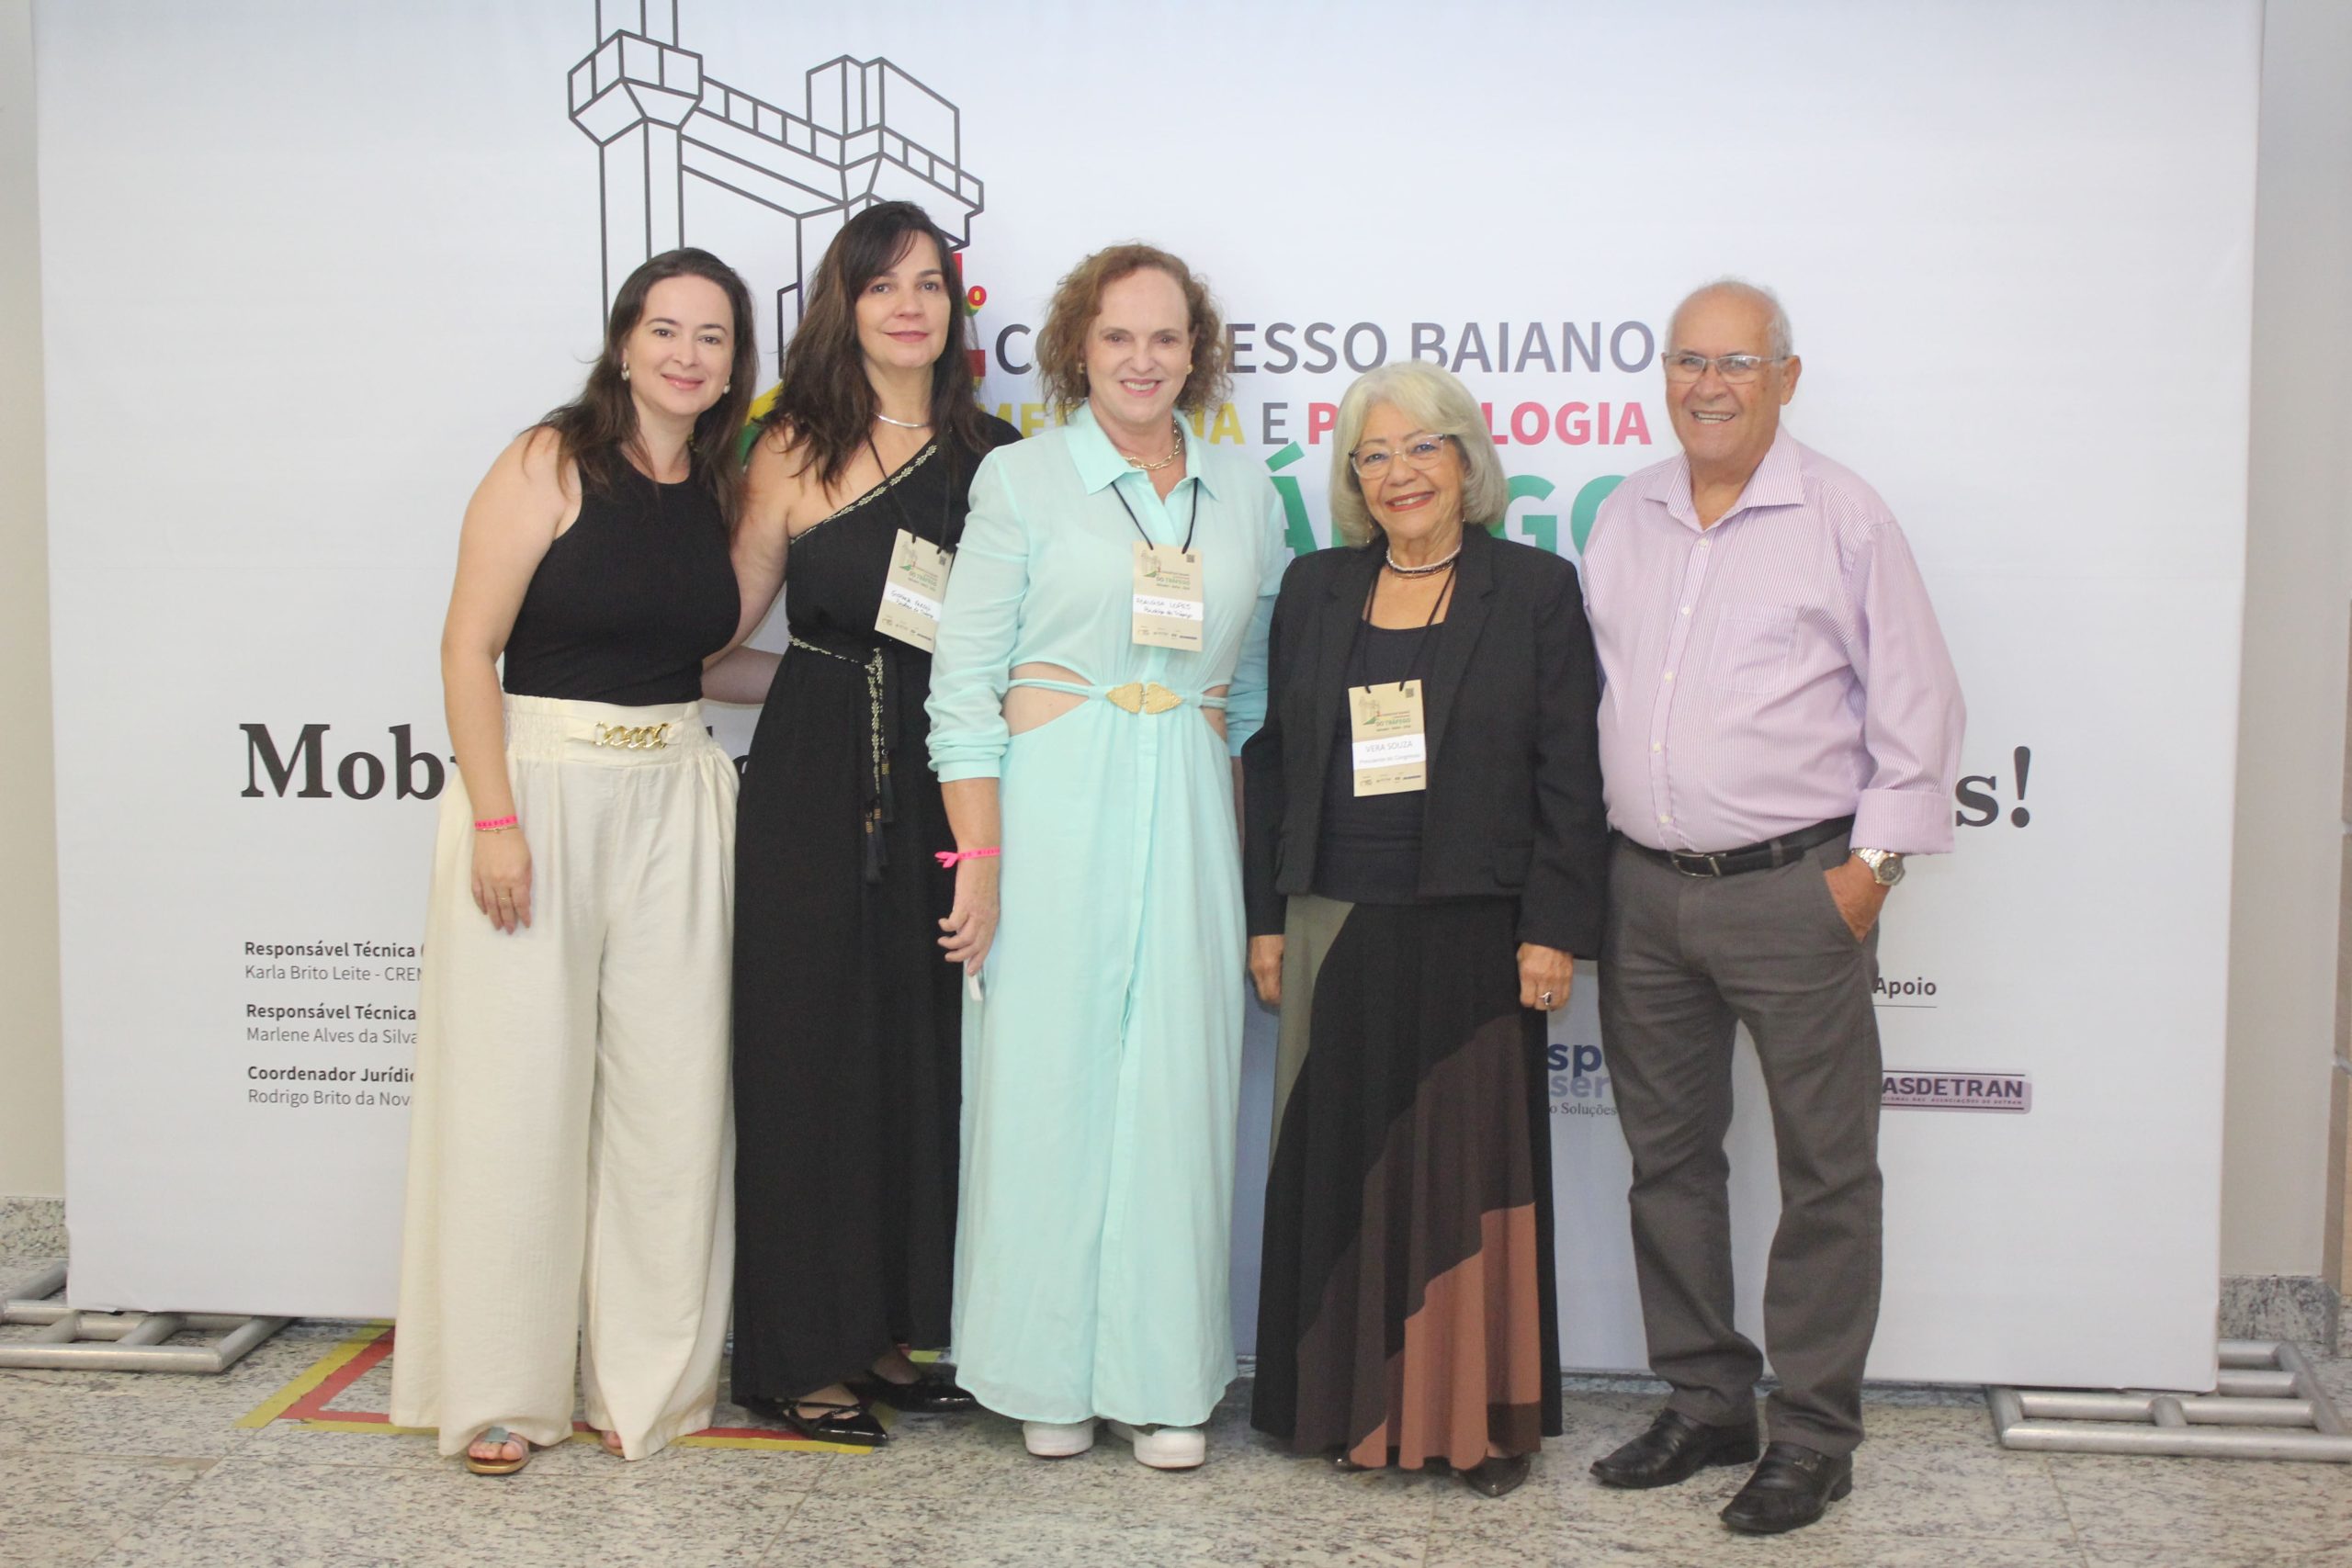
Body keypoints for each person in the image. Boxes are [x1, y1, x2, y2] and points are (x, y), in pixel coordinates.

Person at [1580, 279, 1964, 1534]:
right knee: (1668, 1163)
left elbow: (1919, 703)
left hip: (1796, 893)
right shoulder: (1628, 513)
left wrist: (1870, 872)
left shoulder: (1843, 515)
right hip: (1644, 894)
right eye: (1688, 361)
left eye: (1736, 363)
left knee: (1826, 1172)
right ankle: (1705, 1401)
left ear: (1785, 379)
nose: (1708, 386)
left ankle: (1811, 1433)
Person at [390, 248, 757, 1474]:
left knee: (672, 1100)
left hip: (678, 792)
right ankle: (501, 1392)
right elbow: (468, 647)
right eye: (666, 329)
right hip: (541, 791)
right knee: (518, 1097)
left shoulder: (716, 488)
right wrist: (497, 822)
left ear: (734, 365)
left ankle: (647, 1387)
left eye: (712, 336)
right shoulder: (547, 460)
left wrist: (853, 674)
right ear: (623, 342)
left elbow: (698, 659)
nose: (687, 355)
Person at [925, 243, 1287, 1470]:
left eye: (1166, 337)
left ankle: (1161, 1376)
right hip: (1052, 801)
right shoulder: (1021, 479)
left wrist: (1240, 863)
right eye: (1118, 336)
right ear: (1077, 349)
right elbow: (963, 690)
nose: (1143, 359)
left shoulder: (1245, 491)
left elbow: (1252, 696)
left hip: (1187, 801)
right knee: (1046, 1085)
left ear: (1198, 352)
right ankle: (1046, 1370)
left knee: (1178, 1090)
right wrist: (980, 858)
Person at [1238, 361, 1608, 1499]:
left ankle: (1474, 1426)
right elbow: (1273, 762)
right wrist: (1265, 920)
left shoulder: (1533, 589)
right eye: (1373, 455)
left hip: (1475, 928)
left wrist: (1553, 927)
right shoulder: (1314, 588)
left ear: (1465, 460)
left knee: (1462, 1177)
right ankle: (1334, 1408)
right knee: (1337, 1171)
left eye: (1421, 448)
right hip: (1331, 917)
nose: (1399, 473)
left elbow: (1568, 774)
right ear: (1352, 479)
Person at [703, 200, 1019, 1445]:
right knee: (808, 1053)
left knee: (921, 1054)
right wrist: (818, 684)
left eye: (929, 283)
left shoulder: (999, 459)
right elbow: (716, 641)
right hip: (812, 785)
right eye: (881, 284)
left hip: (951, 778)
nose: (907, 306)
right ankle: (798, 1355)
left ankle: (892, 1333)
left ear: (955, 306)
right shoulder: (791, 450)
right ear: (844, 304)